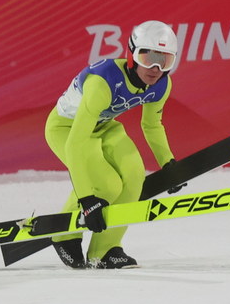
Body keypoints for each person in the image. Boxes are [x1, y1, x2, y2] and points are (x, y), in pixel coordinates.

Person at [44, 20, 184, 269]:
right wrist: (87, 200)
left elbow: (151, 126)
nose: (154, 68)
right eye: (147, 57)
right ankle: (63, 235)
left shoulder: (161, 84)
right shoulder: (102, 82)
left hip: (105, 125)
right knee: (106, 185)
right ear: (131, 54)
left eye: (165, 61)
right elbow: (76, 144)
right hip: (66, 129)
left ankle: (105, 249)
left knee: (134, 176)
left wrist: (168, 163)